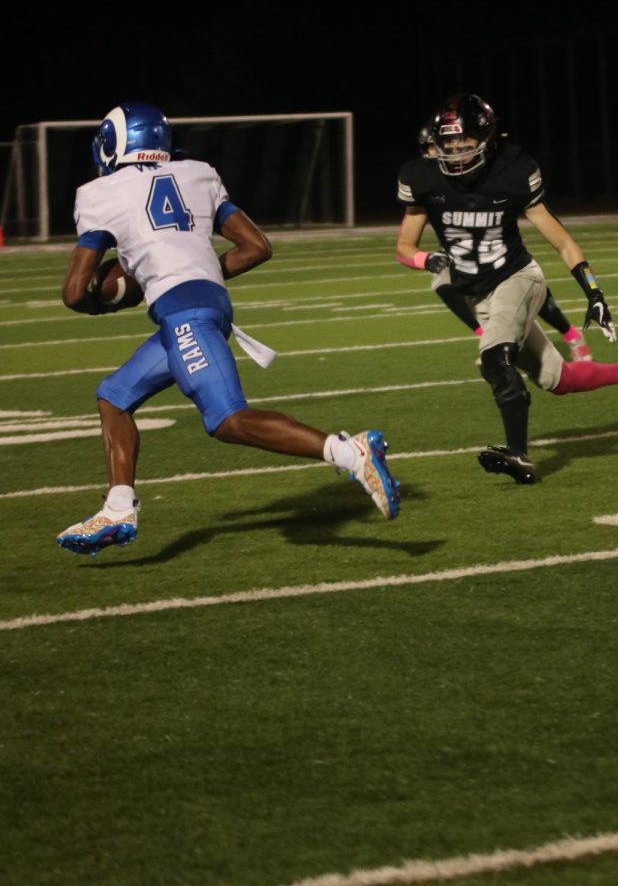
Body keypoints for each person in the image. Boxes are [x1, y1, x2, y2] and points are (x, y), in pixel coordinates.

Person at [57, 101, 400, 556]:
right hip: (205, 305)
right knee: (114, 396)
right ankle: (119, 507)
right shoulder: (198, 172)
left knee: (227, 419)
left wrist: (110, 301)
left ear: (115, 143)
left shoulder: (99, 192)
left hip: (184, 314)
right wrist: (188, 273)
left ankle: (350, 452)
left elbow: (74, 290)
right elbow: (256, 246)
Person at [397, 93, 618, 485]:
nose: (455, 155)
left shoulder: (514, 170)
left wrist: (594, 293)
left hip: (518, 278)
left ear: (487, 141)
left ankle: (518, 454)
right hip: (478, 295)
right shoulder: (421, 177)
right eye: (448, 146)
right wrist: (426, 260)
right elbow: (404, 247)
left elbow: (563, 242)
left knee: (495, 360)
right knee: (559, 381)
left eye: (465, 146)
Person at [415, 116, 592, 362]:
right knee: (443, 285)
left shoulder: (480, 169)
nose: (434, 153)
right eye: (429, 149)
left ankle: (570, 334)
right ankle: (487, 335)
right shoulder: (429, 177)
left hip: (495, 245)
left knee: (525, 289)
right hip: (460, 250)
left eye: (434, 147)